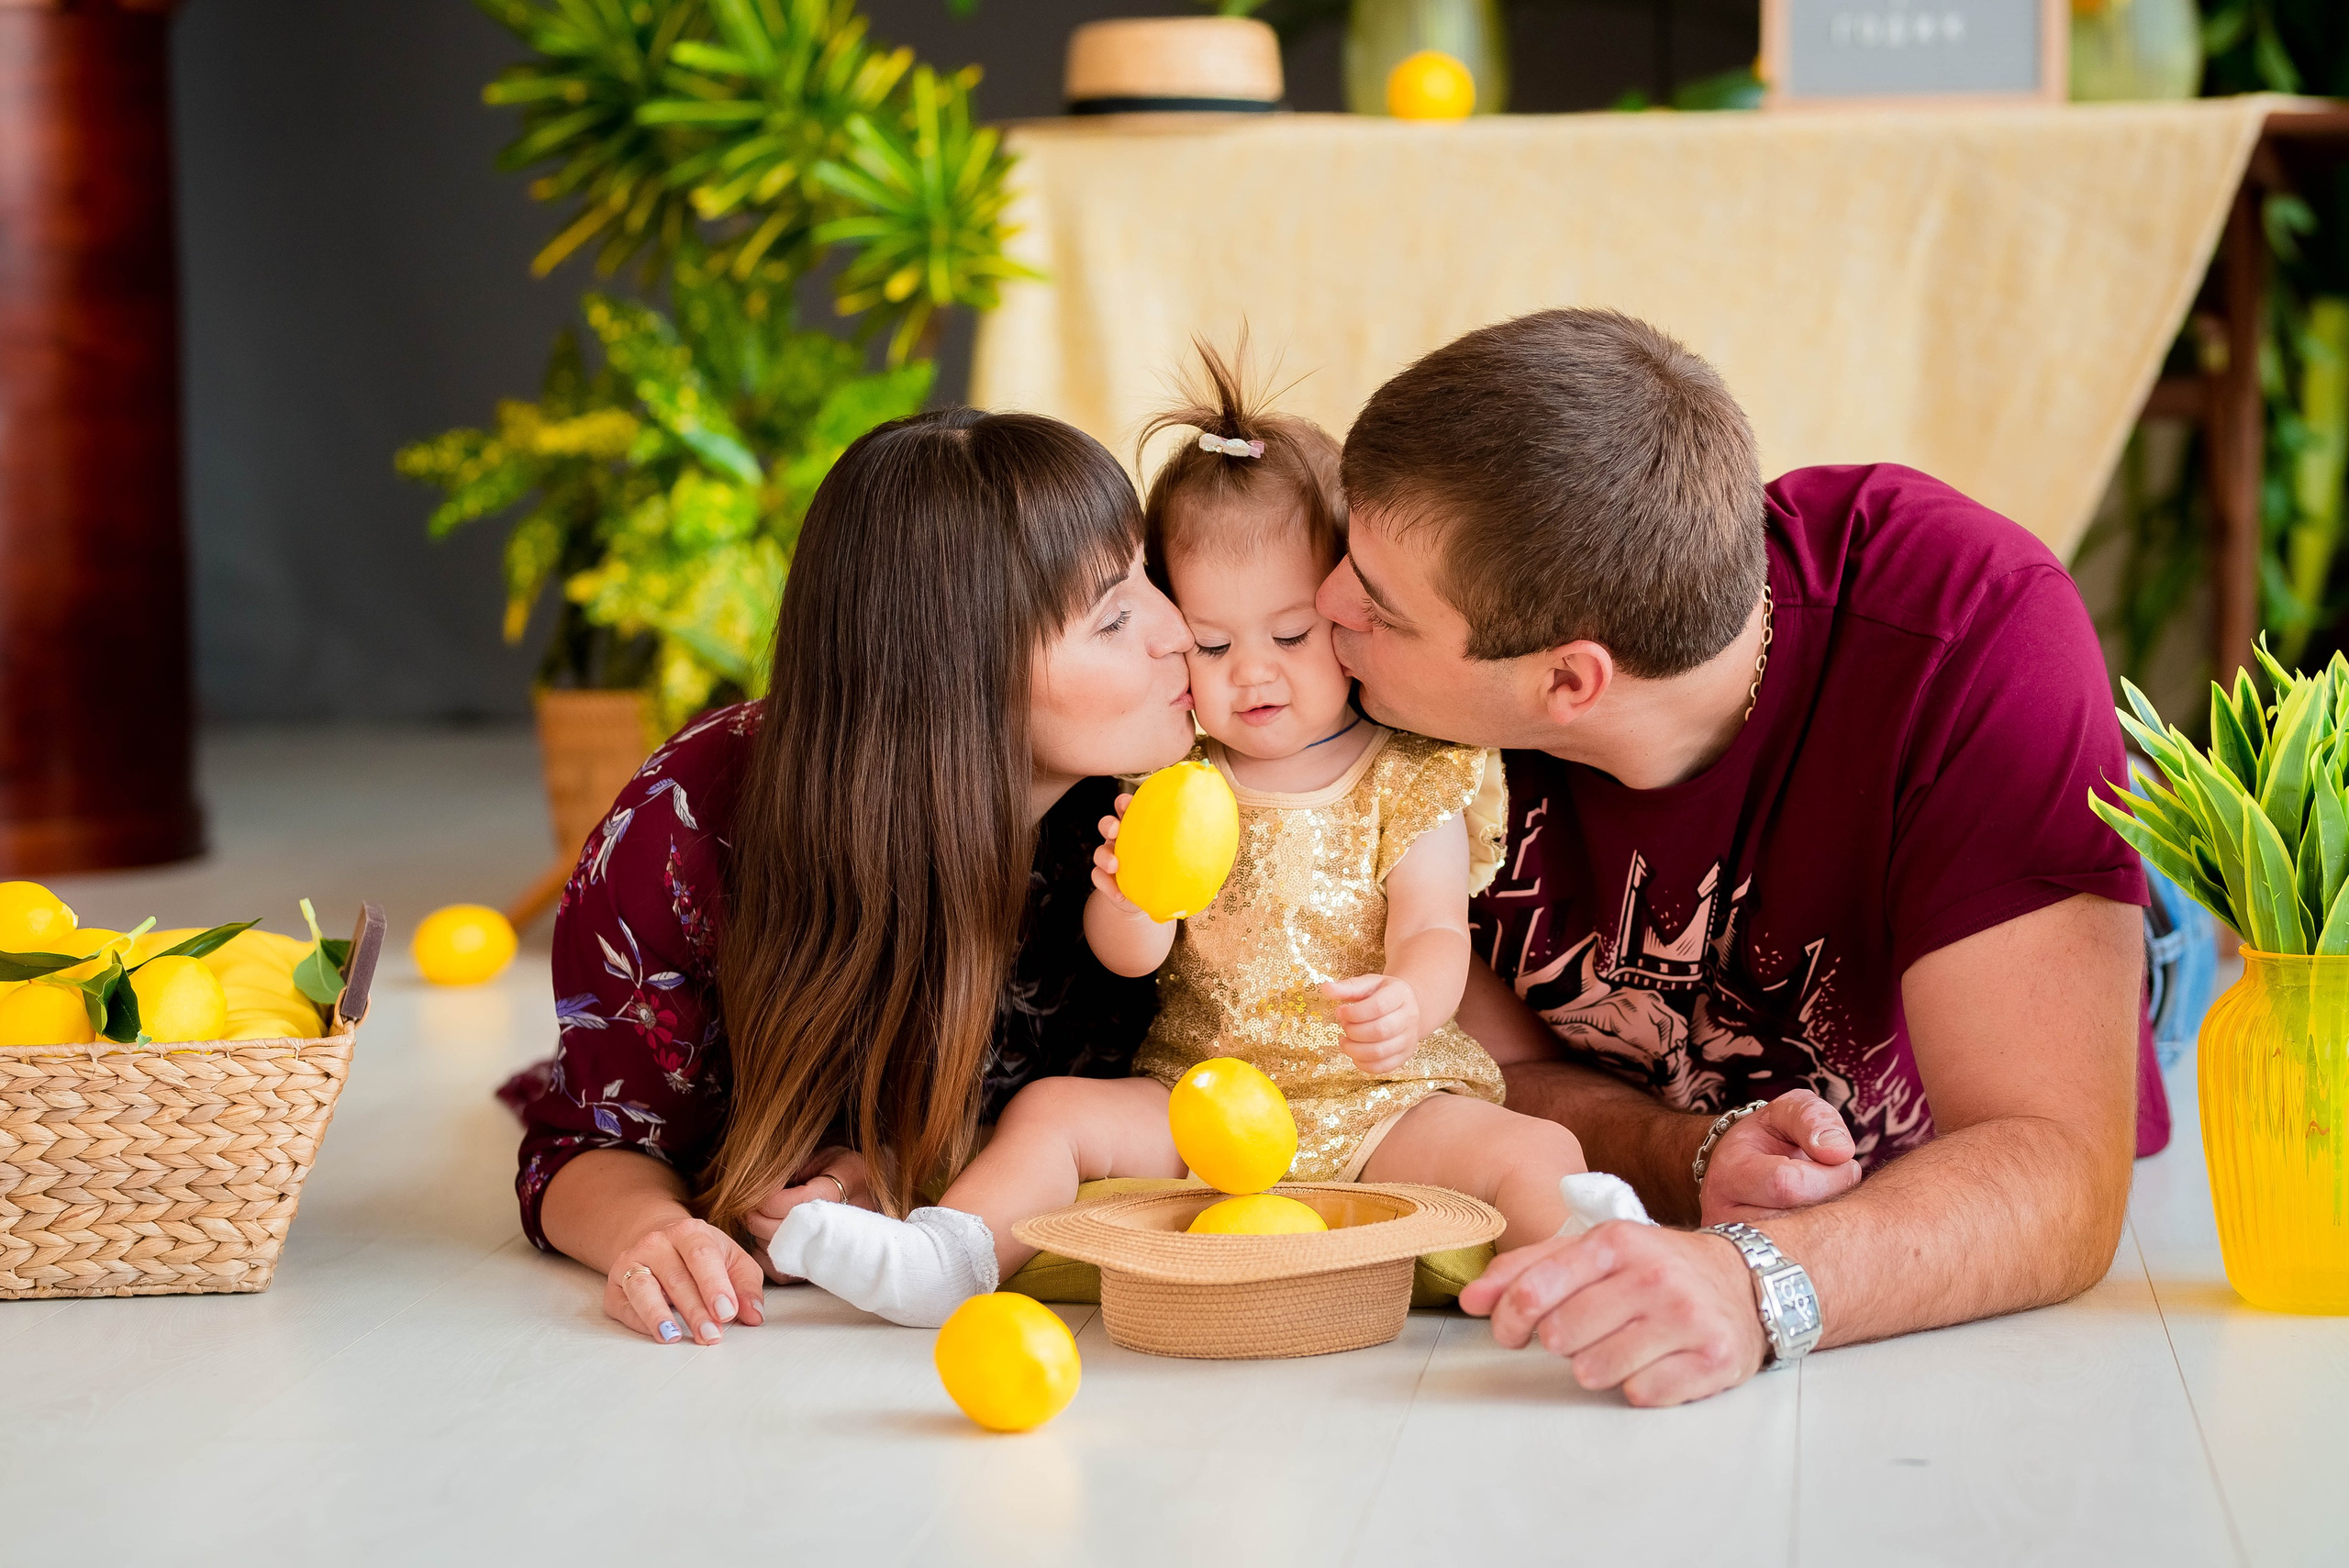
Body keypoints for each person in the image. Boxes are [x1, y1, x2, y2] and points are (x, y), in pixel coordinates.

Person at [1314, 308, 2149, 1407]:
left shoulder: (1970, 630)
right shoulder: (1368, 685)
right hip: (1673, 1087)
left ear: (1570, 682)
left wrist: (1750, 1284)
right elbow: (1485, 1077)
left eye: (1375, 605)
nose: (1322, 602)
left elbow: (2056, 1167)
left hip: (1997, 929)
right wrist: (1694, 1154)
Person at [769, 346, 1589, 1326]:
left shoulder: (1405, 772)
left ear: (1346, 609)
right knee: (1052, 1114)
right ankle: (946, 1256)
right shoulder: (1173, 772)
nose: (1253, 675)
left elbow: (1432, 925)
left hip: (1379, 1098)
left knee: (1529, 1150)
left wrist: (1410, 1001)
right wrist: (1130, 900)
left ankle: (1587, 1251)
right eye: (1210, 642)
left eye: (1289, 636)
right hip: (1199, 1094)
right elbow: (1132, 958)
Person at [502, 408, 1199, 1346]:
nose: (1178, 629)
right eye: (1114, 616)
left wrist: (909, 1163)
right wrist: (648, 1226)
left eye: (1151, 575)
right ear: (959, 675)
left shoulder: (1174, 792)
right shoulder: (683, 831)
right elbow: (584, 1138)